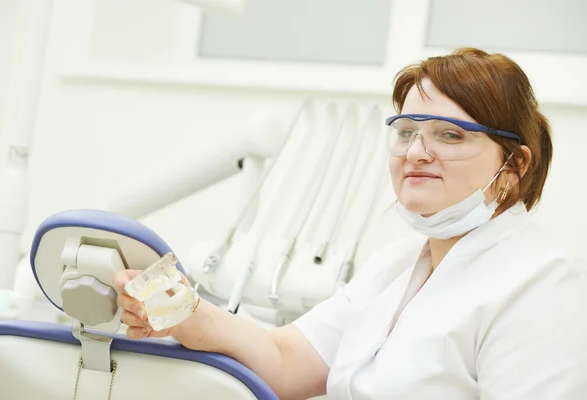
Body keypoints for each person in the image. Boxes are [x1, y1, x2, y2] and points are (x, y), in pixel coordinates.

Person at [113, 48, 587, 400]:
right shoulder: (395, 267)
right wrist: (185, 312)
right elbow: (287, 360)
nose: (417, 152)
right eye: (406, 132)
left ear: (516, 164)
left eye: (450, 134)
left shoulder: (540, 283)